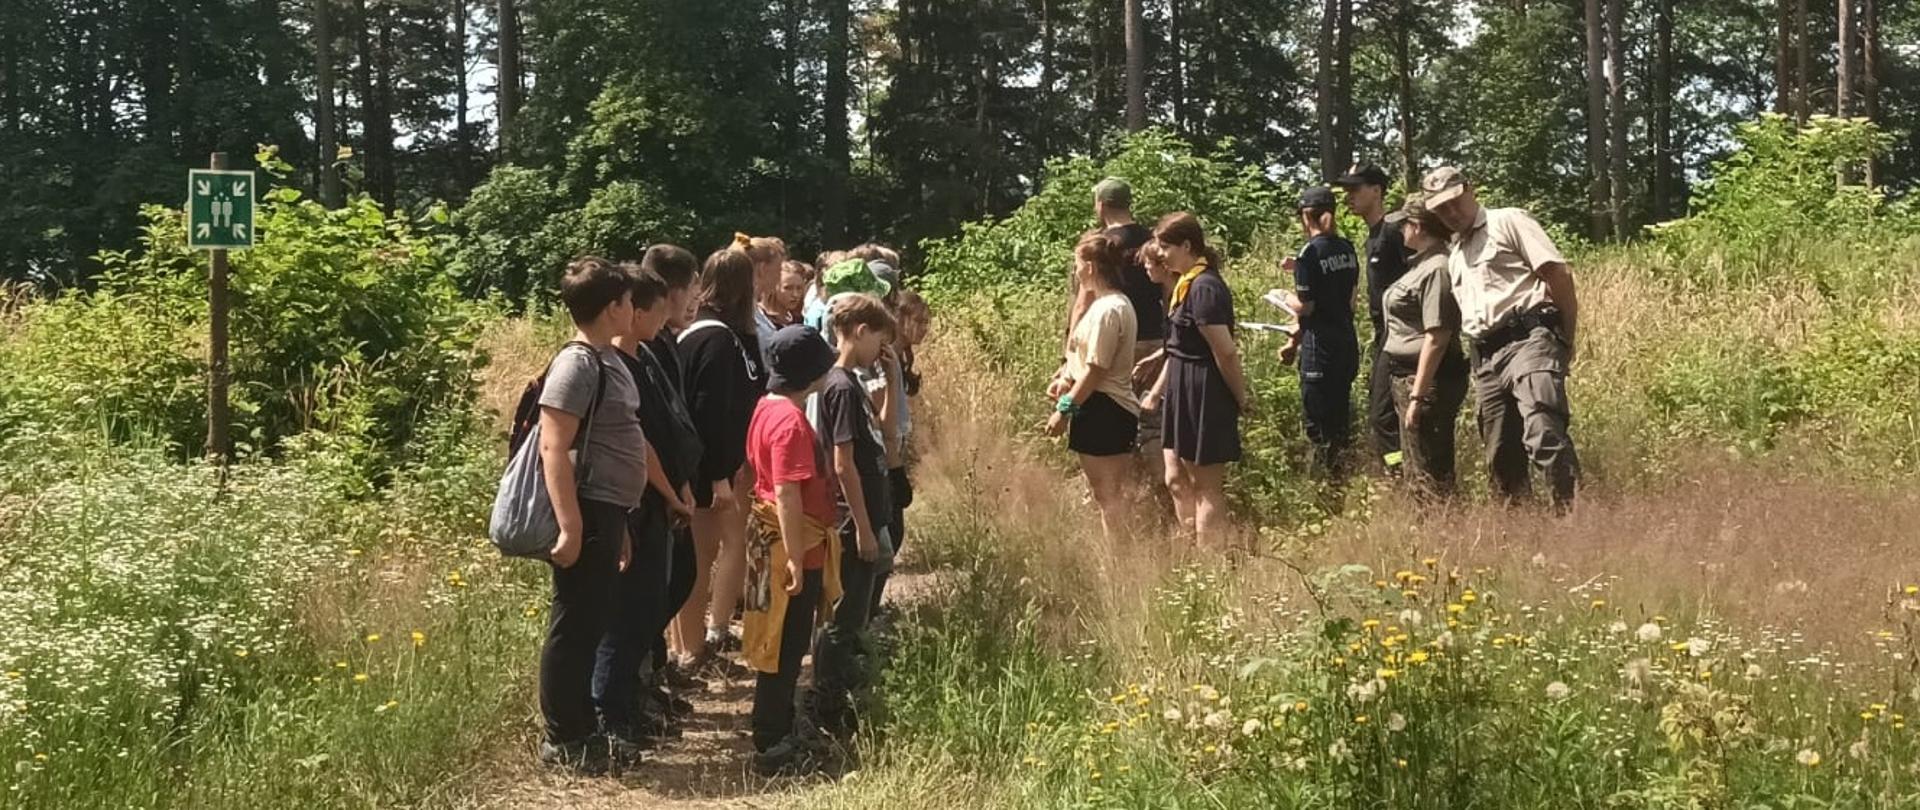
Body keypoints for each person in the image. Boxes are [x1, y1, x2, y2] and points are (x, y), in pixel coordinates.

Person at [535, 257, 650, 772]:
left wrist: (620, 521)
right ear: (612, 308)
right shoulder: (576, 364)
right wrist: (570, 526)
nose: (633, 308)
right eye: (627, 301)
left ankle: (583, 730)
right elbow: (553, 446)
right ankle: (565, 738)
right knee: (575, 622)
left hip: (608, 513)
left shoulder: (608, 359)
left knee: (593, 620)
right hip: (586, 512)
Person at [1421, 166, 1581, 509]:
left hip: (1529, 338)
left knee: (1543, 431)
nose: (1450, 212)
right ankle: (1520, 529)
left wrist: (1565, 338)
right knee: (1500, 453)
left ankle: (1572, 518)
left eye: (1453, 202)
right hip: (1486, 357)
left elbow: (1557, 273)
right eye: (1440, 209)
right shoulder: (1456, 255)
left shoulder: (1507, 221)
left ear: (1470, 189)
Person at [599, 263, 702, 754]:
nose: (665, 320)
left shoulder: (646, 356)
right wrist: (670, 493)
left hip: (661, 502)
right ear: (633, 312)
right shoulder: (616, 366)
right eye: (657, 312)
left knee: (653, 603)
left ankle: (633, 698)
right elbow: (641, 443)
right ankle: (611, 714)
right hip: (638, 506)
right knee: (629, 614)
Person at [742, 325, 841, 776]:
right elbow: (786, 492)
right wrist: (798, 560)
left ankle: (777, 727)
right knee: (784, 643)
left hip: (778, 540)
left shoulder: (766, 408)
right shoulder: (789, 422)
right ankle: (773, 740)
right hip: (792, 544)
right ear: (811, 373)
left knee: (779, 640)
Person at [675, 247, 765, 671]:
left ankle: (689, 647)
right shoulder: (713, 339)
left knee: (705, 553)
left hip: (718, 468)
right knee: (700, 556)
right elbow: (711, 412)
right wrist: (716, 477)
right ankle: (691, 651)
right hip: (708, 472)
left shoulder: (722, 335)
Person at [811, 293, 896, 736]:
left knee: (853, 614)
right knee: (843, 617)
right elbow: (843, 463)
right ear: (860, 331)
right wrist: (862, 527)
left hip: (862, 514)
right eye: (878, 338)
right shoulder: (841, 386)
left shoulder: (850, 382)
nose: (879, 349)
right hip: (849, 519)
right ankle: (826, 703)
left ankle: (836, 694)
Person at [1143, 213, 1249, 551]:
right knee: (1181, 478)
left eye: (1166, 246)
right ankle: (1193, 553)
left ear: (1187, 246)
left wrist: (1241, 397)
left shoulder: (1204, 287)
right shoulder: (1185, 283)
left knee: (1207, 487)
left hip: (1204, 388)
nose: (1160, 253)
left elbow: (1225, 353)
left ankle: (1210, 566)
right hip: (1183, 386)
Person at [1070, 178, 1170, 501]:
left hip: (1110, 345)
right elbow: (1168, 293)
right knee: (1153, 425)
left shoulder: (1098, 247)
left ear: (1100, 205)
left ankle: (1110, 498)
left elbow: (1084, 300)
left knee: (1105, 420)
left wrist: (1069, 352)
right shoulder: (1153, 242)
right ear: (1129, 203)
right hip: (1154, 341)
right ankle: (1163, 494)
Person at [639, 244, 705, 694]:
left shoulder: (664, 341)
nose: (694, 301)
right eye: (690, 291)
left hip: (675, 483)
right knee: (660, 584)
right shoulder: (645, 348)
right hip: (654, 490)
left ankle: (652, 672)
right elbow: (651, 428)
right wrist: (674, 489)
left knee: (678, 577)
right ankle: (643, 678)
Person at [1047, 231, 1140, 544]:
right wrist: (1065, 377)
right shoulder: (1105, 306)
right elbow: (1084, 360)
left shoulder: (1109, 309)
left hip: (1106, 408)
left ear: (1089, 266)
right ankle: (1115, 558)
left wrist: (1064, 409)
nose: (1075, 272)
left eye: (1076, 264)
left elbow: (1098, 369)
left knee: (1109, 493)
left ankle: (1119, 563)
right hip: (1096, 405)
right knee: (1103, 493)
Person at [1382, 198, 1470, 498]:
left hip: (1426, 381)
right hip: (1407, 377)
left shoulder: (1437, 269)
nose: (1401, 231)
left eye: (1404, 225)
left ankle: (1439, 530)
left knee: (1429, 470)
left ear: (1417, 227)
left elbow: (1438, 336)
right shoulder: (1422, 265)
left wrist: (1418, 395)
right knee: (1416, 465)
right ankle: (1429, 529)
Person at [1278, 187, 1362, 478]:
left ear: (1305, 217)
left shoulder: (1309, 253)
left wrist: (1283, 296)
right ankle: (1346, 478)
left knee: (1319, 430)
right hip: (1346, 346)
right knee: (1341, 422)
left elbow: (1306, 306)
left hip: (1320, 353)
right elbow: (1350, 300)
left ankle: (1327, 490)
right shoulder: (1347, 247)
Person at [1334, 164, 1411, 473]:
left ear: (1377, 191)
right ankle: (1398, 475)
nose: (1349, 197)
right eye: (1347, 191)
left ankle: (1405, 477)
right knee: (1381, 416)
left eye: (1356, 189)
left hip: (1403, 336)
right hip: (1383, 336)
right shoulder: (1372, 236)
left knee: (1386, 416)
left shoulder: (1395, 231)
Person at [869, 290, 928, 616]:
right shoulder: (886, 353)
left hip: (896, 443)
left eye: (927, 322)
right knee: (891, 529)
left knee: (894, 528)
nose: (924, 328)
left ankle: (872, 609)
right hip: (884, 448)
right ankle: (868, 612)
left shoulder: (901, 354)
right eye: (918, 321)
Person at [761, 260, 810, 328]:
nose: (795, 294)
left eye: (799, 288)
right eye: (788, 288)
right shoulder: (762, 320)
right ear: (774, 286)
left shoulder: (798, 320)